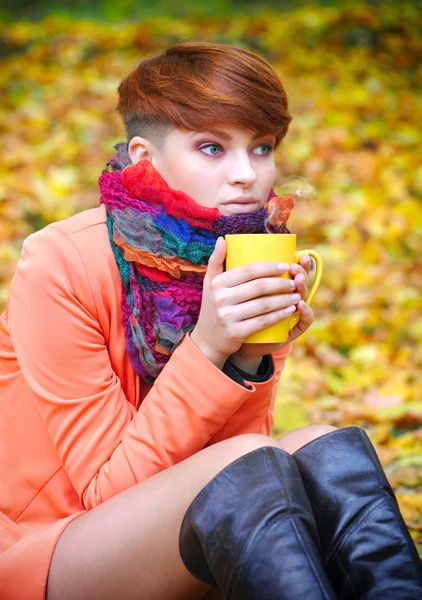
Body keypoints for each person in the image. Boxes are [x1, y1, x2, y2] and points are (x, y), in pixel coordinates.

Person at [0, 41, 420, 600]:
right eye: (212, 148)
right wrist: (207, 349)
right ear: (145, 159)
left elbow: (244, 482)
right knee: (254, 458)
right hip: (50, 549)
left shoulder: (248, 258)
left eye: (262, 147)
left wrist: (248, 359)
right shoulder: (61, 261)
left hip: (181, 534)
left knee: (324, 446)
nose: (246, 175)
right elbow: (108, 492)